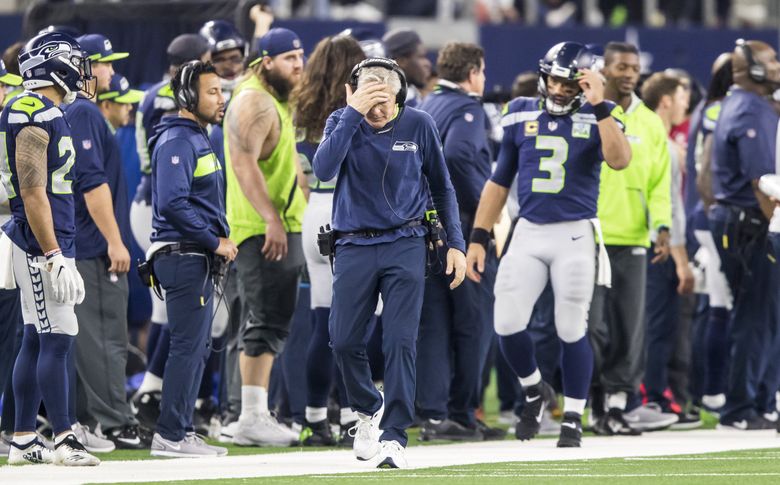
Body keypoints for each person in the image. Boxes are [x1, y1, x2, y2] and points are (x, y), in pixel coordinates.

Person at [466, 41, 631, 448]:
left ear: (587, 84)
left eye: (570, 84)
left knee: (570, 326)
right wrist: (478, 237)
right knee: (506, 322)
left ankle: (573, 416)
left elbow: (620, 160)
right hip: (529, 229)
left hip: (575, 232)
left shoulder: (602, 113)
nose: (559, 90)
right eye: (555, 80)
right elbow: (499, 180)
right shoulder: (520, 110)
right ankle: (535, 389)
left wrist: (599, 105)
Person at [313, 57, 467, 468]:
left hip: (406, 242)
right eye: (370, 100)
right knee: (343, 339)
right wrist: (352, 112)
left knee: (400, 340)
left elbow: (442, 185)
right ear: (354, 93)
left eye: (386, 101)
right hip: (353, 244)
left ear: (400, 95)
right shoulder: (342, 120)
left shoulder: (419, 124)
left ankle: (395, 435)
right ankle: (368, 408)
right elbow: (324, 169)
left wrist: (456, 244)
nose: (378, 111)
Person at [0, 31, 99, 466]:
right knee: (59, 335)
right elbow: (32, 189)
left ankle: (23, 437)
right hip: (42, 241)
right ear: (53, 64)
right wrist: (54, 253)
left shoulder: (46, 109)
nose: (82, 69)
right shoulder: (28, 109)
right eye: (76, 61)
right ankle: (64, 438)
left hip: (49, 236)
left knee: (38, 337)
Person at [148, 60, 238, 456]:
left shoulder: (197, 137)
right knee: (187, 344)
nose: (221, 98)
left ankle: (180, 429)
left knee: (197, 344)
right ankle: (170, 434)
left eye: (221, 90)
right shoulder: (179, 140)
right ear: (188, 97)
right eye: (212, 91)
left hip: (192, 255)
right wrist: (213, 240)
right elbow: (171, 202)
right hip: (184, 255)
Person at [589, 41, 678, 434]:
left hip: (634, 238)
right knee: (592, 327)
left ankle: (617, 404)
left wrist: (662, 226)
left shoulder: (650, 122)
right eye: (621, 66)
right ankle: (590, 399)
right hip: (590, 236)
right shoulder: (588, 113)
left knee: (629, 327)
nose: (629, 73)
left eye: (634, 67)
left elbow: (661, 184)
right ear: (604, 69)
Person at [416, 42, 503, 442]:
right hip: (463, 231)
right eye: (482, 72)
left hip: (425, 230)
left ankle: (433, 415)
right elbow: (459, 157)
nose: (483, 80)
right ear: (472, 73)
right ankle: (462, 414)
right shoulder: (467, 108)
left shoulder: (426, 106)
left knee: (433, 324)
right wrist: (486, 212)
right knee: (473, 324)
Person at [224, 27, 306, 447]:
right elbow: (243, 164)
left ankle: (254, 413)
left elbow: (286, 163)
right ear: (266, 61)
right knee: (264, 320)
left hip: (281, 224)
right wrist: (272, 220)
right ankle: (250, 417)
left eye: (300, 57)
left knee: (274, 319)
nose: (299, 65)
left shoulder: (273, 97)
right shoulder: (254, 100)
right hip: (261, 229)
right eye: (290, 58)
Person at [63, 33, 146, 450]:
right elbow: (92, 185)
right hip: (92, 245)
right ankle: (114, 420)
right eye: (105, 63)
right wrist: (116, 242)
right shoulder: (84, 113)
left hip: (84, 242)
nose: (112, 72)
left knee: (92, 338)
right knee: (105, 337)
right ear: (84, 67)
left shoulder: (81, 112)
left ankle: (87, 419)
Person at [131, 33, 211, 428]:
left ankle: (154, 386)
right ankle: (151, 389)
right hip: (158, 202)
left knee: (174, 313)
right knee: (171, 311)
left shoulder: (154, 94)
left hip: (157, 198)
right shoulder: (171, 104)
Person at [292, 34, 366, 446]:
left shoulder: (301, 108)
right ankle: (356, 415)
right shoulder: (354, 111)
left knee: (322, 322)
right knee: (356, 325)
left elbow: (302, 176)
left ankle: (315, 418)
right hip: (347, 214)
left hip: (314, 213)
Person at [709, 39, 780, 430]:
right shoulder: (751, 109)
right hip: (750, 221)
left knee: (764, 314)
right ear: (750, 68)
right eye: (770, 60)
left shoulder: (745, 105)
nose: (776, 66)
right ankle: (740, 407)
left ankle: (763, 401)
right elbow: (762, 183)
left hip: (742, 220)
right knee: (756, 315)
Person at [639, 72, 699, 427]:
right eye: (680, 97)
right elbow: (669, 207)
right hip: (657, 245)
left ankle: (654, 394)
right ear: (665, 100)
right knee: (656, 326)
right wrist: (681, 260)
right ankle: (653, 396)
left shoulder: (656, 138)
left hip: (647, 242)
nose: (685, 104)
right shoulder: (659, 141)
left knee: (656, 325)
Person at [689, 54, 734, 415]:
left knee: (718, 308)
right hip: (721, 218)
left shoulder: (707, 108)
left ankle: (716, 389)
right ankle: (717, 389)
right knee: (724, 308)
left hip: (708, 217)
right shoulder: (724, 111)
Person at [382, 28, 431, 107]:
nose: (427, 63)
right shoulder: (400, 103)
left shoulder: (411, 95)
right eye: (421, 57)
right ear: (401, 61)